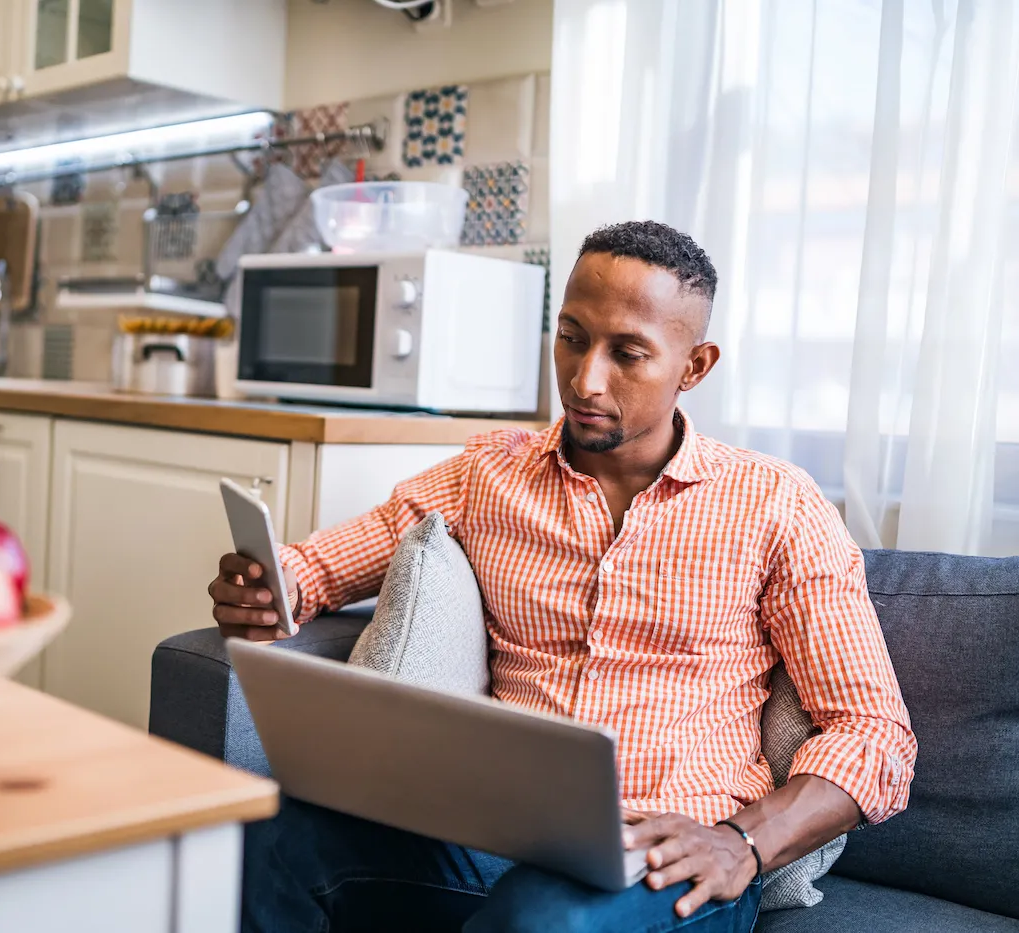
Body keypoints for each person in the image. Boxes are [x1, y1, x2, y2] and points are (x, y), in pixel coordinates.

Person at [208, 220, 916, 933]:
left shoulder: (776, 504)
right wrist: (273, 588)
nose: (584, 379)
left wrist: (743, 840)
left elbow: (875, 732)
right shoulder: (487, 474)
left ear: (694, 366)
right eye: (572, 336)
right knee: (265, 837)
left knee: (538, 918)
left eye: (627, 353)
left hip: (670, 856)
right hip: (491, 832)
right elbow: (320, 565)